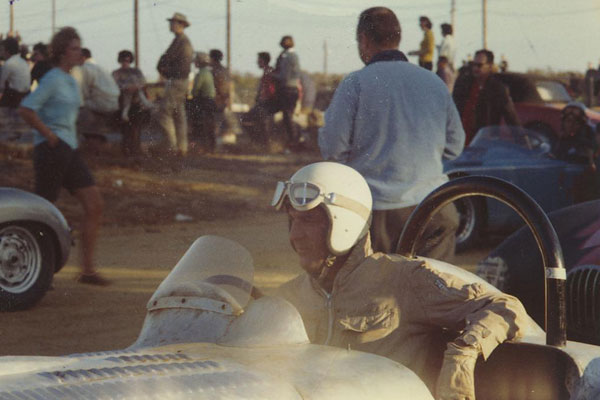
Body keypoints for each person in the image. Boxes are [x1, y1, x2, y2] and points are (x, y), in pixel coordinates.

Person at [274, 161, 528, 400]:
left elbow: (504, 306)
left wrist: (463, 353)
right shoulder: (288, 298)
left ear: (343, 223)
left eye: (308, 220)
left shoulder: (402, 280)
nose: (295, 236)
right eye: (293, 220)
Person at [319, 7, 464, 260]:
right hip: (434, 208)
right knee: (436, 295)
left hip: (378, 214)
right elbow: (455, 145)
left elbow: (333, 149)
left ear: (363, 39)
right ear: (397, 37)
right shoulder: (434, 82)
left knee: (380, 295)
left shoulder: (355, 83)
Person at [18, 27, 108, 286]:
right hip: (51, 149)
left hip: (69, 149)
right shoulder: (53, 78)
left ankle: (87, 271)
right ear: (61, 52)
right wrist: (48, 134)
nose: (79, 52)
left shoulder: (71, 79)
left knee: (95, 204)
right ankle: (34, 274)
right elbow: (26, 109)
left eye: (80, 48)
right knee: (42, 211)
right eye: (74, 48)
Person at [452, 49, 521, 146]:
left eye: (479, 65)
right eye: (474, 64)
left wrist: (523, 142)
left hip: (484, 144)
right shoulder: (463, 85)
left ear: (490, 66)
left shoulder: (498, 89)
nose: (475, 68)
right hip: (461, 143)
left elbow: (511, 118)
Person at [156, 12, 194, 158]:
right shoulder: (179, 41)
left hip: (177, 80)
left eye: (173, 22)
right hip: (177, 80)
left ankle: (171, 146)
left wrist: (166, 70)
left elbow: (183, 68)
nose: (171, 25)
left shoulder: (183, 42)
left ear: (181, 25)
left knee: (164, 113)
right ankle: (180, 148)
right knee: (179, 114)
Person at [72, 47, 120, 142]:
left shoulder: (83, 68)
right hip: (114, 103)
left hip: (100, 103)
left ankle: (77, 143)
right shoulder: (100, 67)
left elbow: (82, 93)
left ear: (82, 57)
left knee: (74, 110)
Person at [112, 49, 149, 157]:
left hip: (137, 103)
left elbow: (143, 82)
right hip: (123, 104)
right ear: (120, 61)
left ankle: (136, 151)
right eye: (123, 60)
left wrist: (135, 87)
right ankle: (126, 152)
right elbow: (114, 85)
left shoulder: (136, 71)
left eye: (127, 60)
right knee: (125, 130)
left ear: (130, 61)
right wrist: (126, 87)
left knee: (136, 129)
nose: (125, 63)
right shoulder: (116, 73)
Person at [273, 35, 301, 149]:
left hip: (288, 89)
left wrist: (271, 75)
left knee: (288, 116)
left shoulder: (289, 57)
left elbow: (284, 75)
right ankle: (293, 140)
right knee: (287, 116)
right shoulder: (290, 56)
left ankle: (294, 141)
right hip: (290, 89)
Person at [244, 51, 277, 148]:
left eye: (259, 60)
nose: (257, 62)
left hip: (266, 102)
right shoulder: (268, 71)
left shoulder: (268, 72)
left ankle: (261, 143)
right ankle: (262, 143)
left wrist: (263, 98)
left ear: (263, 61)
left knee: (251, 120)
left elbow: (270, 89)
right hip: (265, 102)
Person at [189, 51, 217, 152]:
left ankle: (201, 146)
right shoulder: (208, 72)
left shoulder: (201, 73)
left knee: (200, 124)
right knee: (209, 126)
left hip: (203, 101)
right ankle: (211, 147)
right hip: (210, 101)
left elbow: (196, 90)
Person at [0, 37, 30, 108]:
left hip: (15, 98)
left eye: (1, 50)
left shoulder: (8, 64)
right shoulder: (22, 61)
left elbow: (1, 87)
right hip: (26, 95)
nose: (0, 52)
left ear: (7, 51)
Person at [209, 49, 231, 141]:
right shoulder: (225, 70)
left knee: (214, 124)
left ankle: (215, 145)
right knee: (219, 122)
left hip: (216, 99)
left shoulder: (213, 71)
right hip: (224, 99)